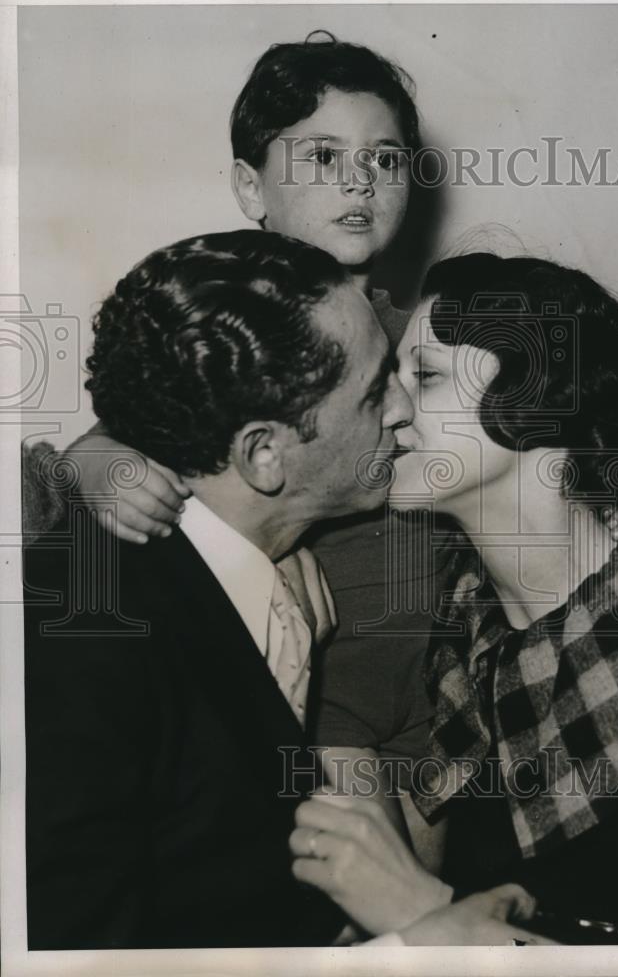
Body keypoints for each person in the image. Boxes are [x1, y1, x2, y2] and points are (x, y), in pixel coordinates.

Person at [22, 35, 618, 825]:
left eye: (386, 159)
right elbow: (125, 437)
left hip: (445, 684)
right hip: (322, 695)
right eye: (324, 157)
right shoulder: (237, 337)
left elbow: (539, 460)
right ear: (248, 183)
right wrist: (97, 465)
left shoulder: (429, 340)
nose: (359, 181)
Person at [26, 229, 563, 949]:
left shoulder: (261, 579)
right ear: (265, 453)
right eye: (376, 391)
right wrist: (422, 945)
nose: (405, 411)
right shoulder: (81, 640)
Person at [289, 253, 618, 945]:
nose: (390, 408)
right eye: (391, 379)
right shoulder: (460, 656)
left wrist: (426, 912)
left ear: (540, 394)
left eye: (427, 376)